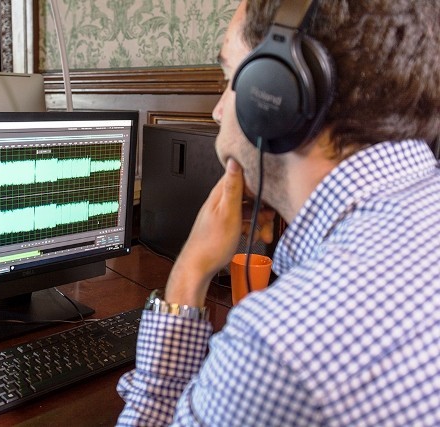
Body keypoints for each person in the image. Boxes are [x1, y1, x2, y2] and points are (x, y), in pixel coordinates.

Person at [117, 0, 440, 425]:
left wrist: (187, 275)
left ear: (273, 94)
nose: (217, 111)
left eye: (229, 79)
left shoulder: (279, 344)